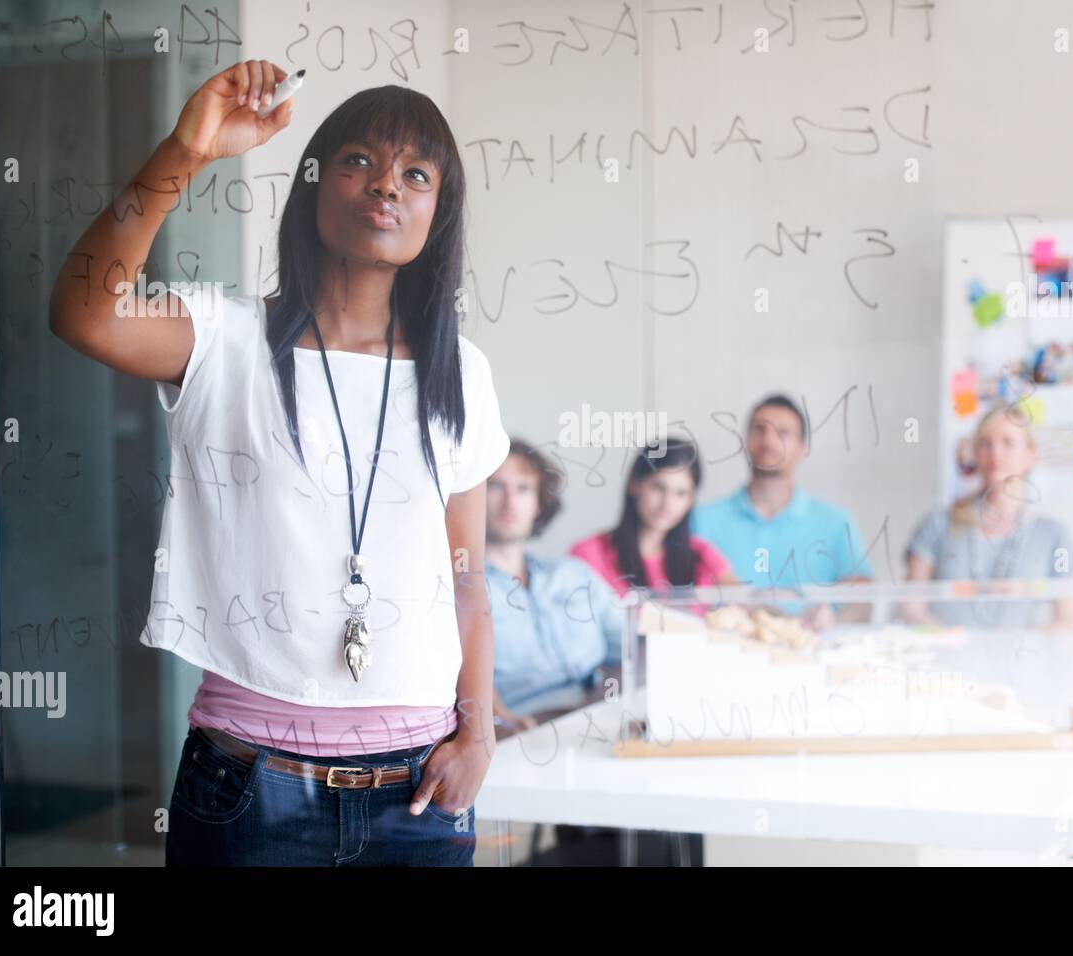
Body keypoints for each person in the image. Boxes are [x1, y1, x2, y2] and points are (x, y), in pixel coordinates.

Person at [49, 63, 511, 865]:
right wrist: (185, 152)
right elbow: (84, 311)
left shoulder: (460, 371)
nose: (385, 187)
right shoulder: (223, 338)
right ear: (312, 187)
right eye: (357, 161)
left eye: (415, 174)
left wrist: (480, 732)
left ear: (439, 214)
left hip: (421, 795)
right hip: (248, 790)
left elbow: (465, 574)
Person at [690, 394, 874, 626]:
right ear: (744, 441)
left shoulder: (837, 522)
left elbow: (863, 600)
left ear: (803, 448)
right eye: (759, 430)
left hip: (814, 655)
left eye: (783, 432)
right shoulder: (702, 521)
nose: (769, 440)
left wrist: (832, 623)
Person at [901, 401, 1073, 630]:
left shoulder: (1054, 535)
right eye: (985, 444)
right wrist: (946, 639)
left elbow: (1067, 622)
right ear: (975, 454)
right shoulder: (936, 525)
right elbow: (910, 608)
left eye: (1009, 443)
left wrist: (1022, 647)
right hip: (946, 661)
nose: (996, 453)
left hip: (1021, 662)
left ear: (1030, 455)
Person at [485, 440, 623, 728]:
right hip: (522, 734)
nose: (510, 502)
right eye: (495, 486)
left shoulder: (575, 575)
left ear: (539, 502)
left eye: (523, 489)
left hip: (604, 716)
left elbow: (633, 646)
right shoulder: (459, 592)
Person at [569, 437, 738, 613]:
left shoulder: (703, 555)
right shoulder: (588, 555)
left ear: (691, 499)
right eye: (658, 488)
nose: (667, 504)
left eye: (681, 493)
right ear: (635, 484)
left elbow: (746, 603)